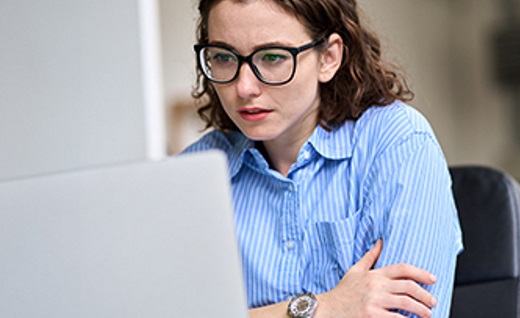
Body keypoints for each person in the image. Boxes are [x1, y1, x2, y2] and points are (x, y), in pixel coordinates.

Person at [181, 0, 463, 317]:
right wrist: (322, 307)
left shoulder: (399, 142)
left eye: (273, 57)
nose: (244, 87)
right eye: (222, 57)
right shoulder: (196, 171)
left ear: (328, 57)